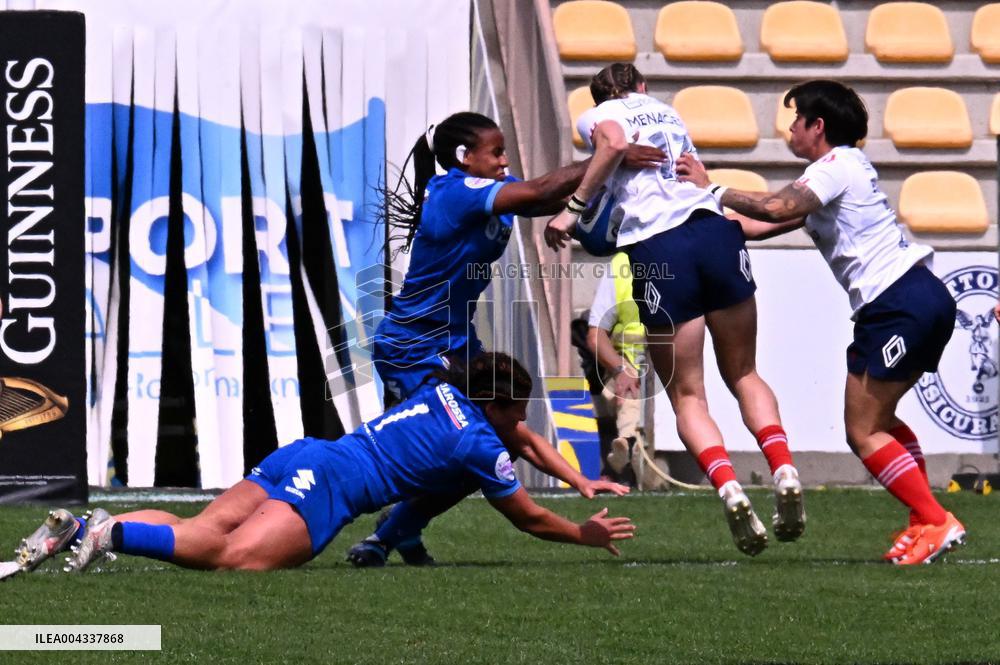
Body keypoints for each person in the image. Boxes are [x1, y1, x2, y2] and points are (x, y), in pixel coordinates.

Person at [346, 111, 663, 567]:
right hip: (413, 346)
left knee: (486, 439)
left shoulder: (487, 192)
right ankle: (355, 519)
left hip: (455, 343)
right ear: (464, 157)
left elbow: (537, 197)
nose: (504, 160)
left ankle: (397, 532)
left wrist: (580, 480)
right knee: (446, 448)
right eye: (495, 152)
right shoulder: (457, 191)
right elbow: (536, 192)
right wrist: (606, 159)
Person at [676, 79, 965, 565]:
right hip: (918, 297)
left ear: (818, 126)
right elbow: (760, 226)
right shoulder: (839, 173)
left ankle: (936, 520)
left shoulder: (834, 166)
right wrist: (694, 213)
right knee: (882, 421)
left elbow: (774, 206)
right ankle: (923, 520)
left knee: (862, 431)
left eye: (797, 119)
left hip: (897, 302)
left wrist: (713, 186)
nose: (790, 128)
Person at [8, 353, 635, 575]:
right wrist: (583, 531)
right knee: (232, 558)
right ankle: (106, 532)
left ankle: (83, 521)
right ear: (494, 404)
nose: (520, 422)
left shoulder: (442, 388)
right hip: (330, 485)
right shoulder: (478, 446)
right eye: (515, 409)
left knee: (201, 527)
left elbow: (518, 435)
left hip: (308, 452)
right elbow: (525, 518)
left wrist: (577, 478)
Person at [544, 63, 805, 557]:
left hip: (658, 246)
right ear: (643, 86)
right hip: (712, 228)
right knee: (745, 372)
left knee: (688, 395)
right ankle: (785, 469)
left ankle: (729, 488)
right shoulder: (668, 111)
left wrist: (572, 209)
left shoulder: (599, 115)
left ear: (599, 100)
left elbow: (614, 143)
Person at [586, 253, 661, 490]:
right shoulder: (620, 266)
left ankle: (625, 455)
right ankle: (628, 445)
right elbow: (595, 336)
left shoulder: (680, 259)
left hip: (666, 364)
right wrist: (620, 370)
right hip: (627, 365)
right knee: (628, 394)